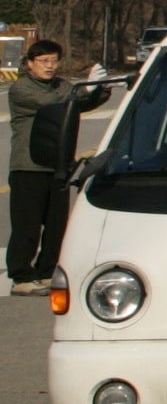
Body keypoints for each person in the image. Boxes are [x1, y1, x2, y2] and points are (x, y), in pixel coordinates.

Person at [7, 39, 110, 297]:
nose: (50, 66)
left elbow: (79, 104)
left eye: (54, 60)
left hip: (58, 165)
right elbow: (53, 102)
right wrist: (83, 89)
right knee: (27, 226)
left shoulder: (62, 86)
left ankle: (45, 272)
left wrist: (99, 89)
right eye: (43, 61)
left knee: (56, 225)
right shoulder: (21, 89)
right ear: (30, 64)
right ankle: (21, 277)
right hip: (28, 166)